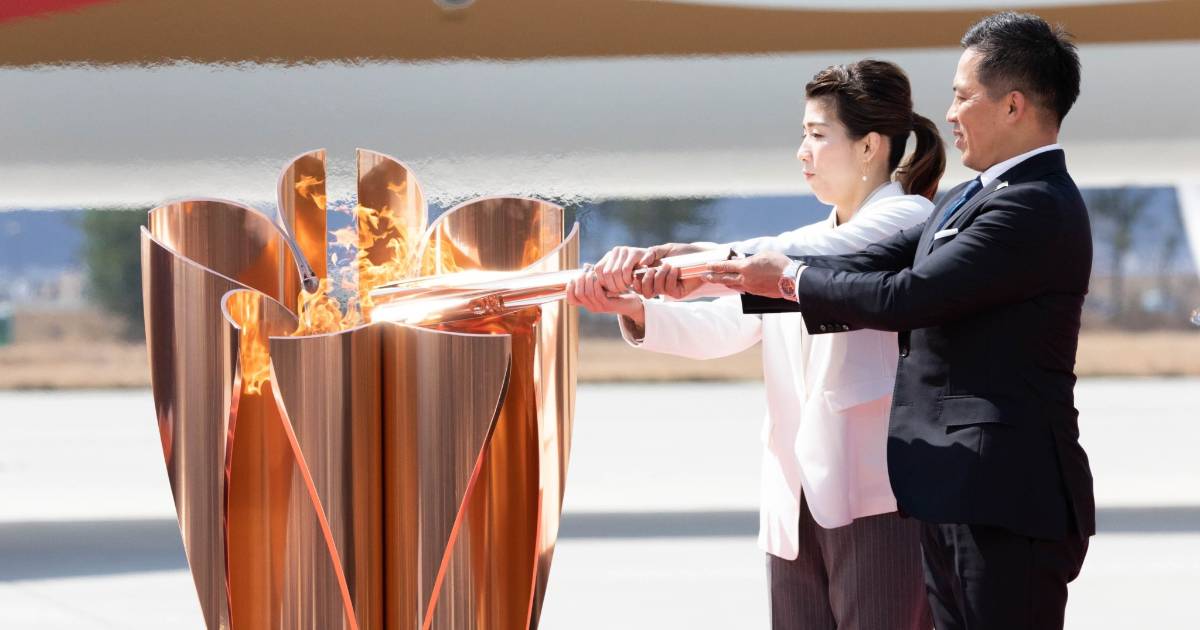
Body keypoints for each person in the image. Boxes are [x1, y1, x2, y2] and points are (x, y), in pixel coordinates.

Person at [702, 12, 1094, 630]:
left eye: (963, 96)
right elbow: (858, 261)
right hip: (951, 492)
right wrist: (709, 266)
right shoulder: (970, 198)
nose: (950, 114)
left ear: (1013, 105)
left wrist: (789, 278)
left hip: (1006, 497)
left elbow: (910, 296)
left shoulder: (1034, 204)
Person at [568, 59, 944, 629]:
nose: (802, 152)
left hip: (878, 499)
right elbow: (725, 325)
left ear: (869, 147)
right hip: (796, 497)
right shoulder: (808, 240)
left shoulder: (906, 220)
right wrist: (637, 309)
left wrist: (684, 261)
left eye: (817, 135)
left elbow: (797, 259)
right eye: (803, 135)